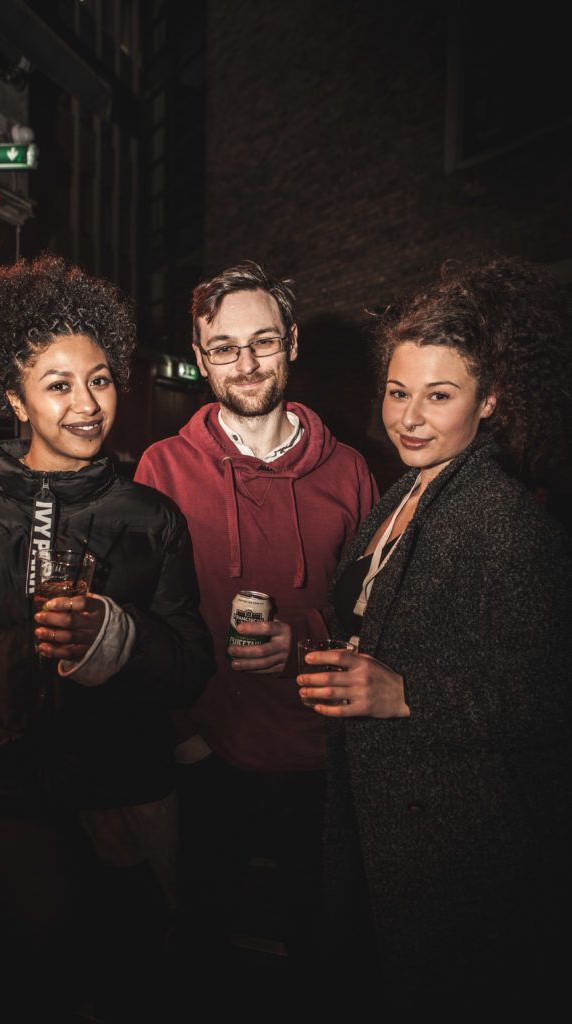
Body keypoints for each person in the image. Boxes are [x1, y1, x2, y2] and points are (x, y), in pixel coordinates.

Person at [0, 254, 214, 1022]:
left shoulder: (150, 517)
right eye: (58, 384)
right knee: (49, 927)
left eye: (99, 379)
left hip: (117, 781)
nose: (87, 404)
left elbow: (190, 666)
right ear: (15, 397)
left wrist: (121, 634)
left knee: (144, 954)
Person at [297, 257, 572, 1011]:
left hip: (463, 847)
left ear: (490, 401)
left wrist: (405, 695)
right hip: (388, 825)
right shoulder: (404, 492)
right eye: (396, 391)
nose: (408, 417)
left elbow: (550, 697)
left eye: (439, 396)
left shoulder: (504, 520)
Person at [135, 260, 377, 992]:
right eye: (224, 347)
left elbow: (375, 611)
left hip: (323, 756)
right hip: (213, 751)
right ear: (201, 356)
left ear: (293, 343)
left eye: (263, 342)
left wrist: (303, 637)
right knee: (199, 947)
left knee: (323, 953)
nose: (245, 363)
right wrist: (184, 735)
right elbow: (146, 618)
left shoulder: (352, 472)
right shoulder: (162, 467)